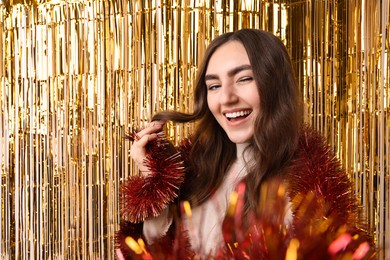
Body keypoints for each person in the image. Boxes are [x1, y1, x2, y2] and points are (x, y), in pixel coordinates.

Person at [115, 29, 375, 259]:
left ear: (274, 85)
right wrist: (157, 179)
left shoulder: (309, 191)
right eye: (214, 85)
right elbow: (151, 249)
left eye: (244, 79)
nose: (226, 98)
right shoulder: (194, 174)